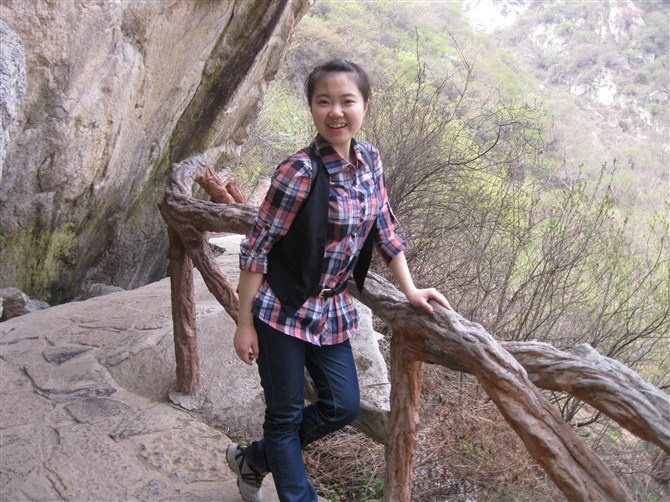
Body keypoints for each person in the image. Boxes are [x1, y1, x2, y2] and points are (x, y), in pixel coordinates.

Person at [228, 59, 452, 502]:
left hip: (330, 310)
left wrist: (410, 289)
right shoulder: (298, 171)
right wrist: (244, 322)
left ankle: (253, 459)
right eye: (323, 101)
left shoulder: (370, 160)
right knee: (284, 419)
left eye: (347, 101)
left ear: (365, 105)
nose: (335, 112)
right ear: (311, 107)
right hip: (281, 308)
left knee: (342, 406)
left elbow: (385, 228)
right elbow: (257, 248)